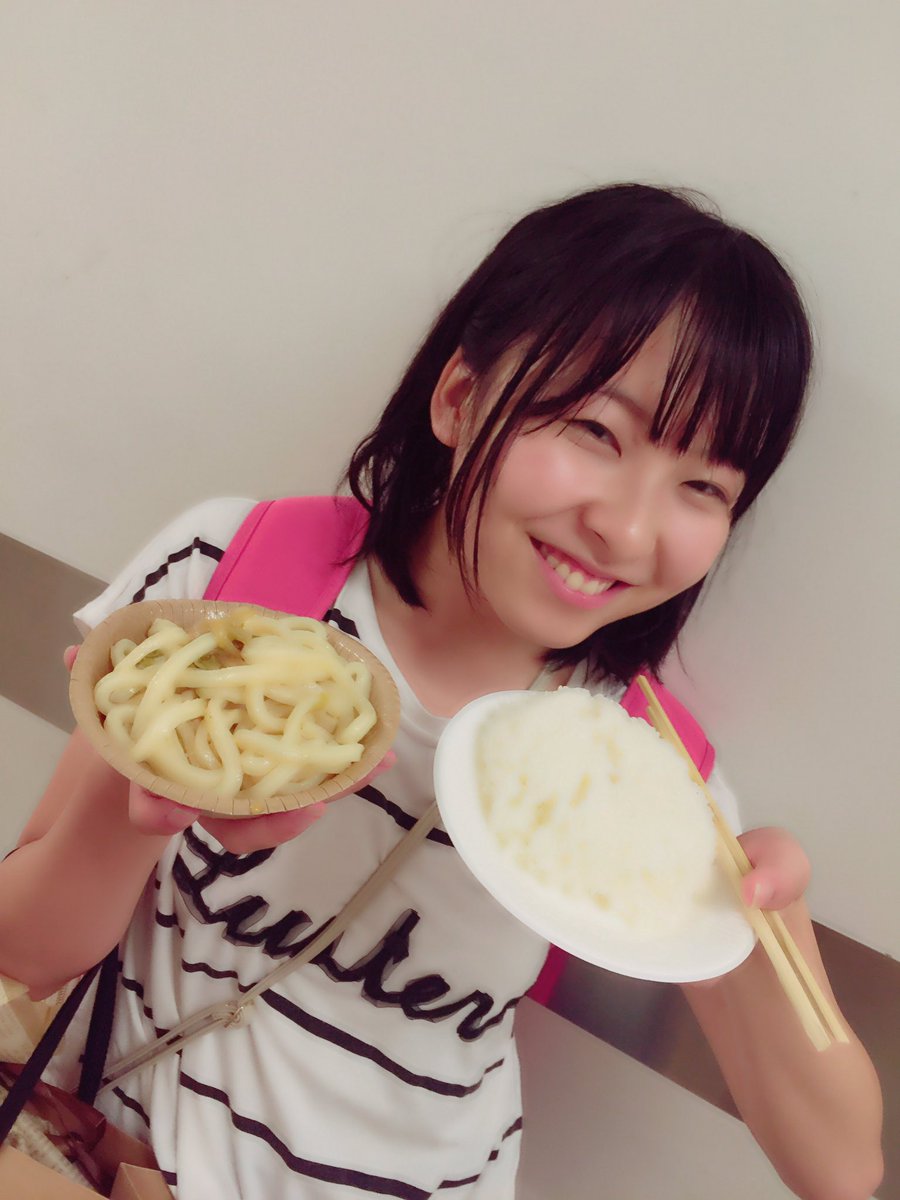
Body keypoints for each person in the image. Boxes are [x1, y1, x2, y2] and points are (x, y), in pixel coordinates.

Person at [0, 184, 883, 1199]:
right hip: (97, 1156)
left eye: (704, 487)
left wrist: (771, 919)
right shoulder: (234, 589)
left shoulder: (636, 772)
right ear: (461, 399)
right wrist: (143, 798)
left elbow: (840, 1170)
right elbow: (24, 948)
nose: (630, 530)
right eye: (595, 431)